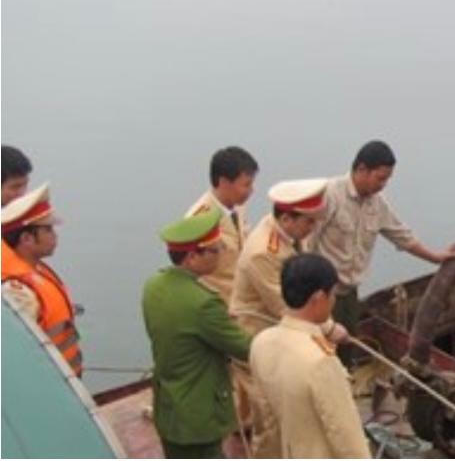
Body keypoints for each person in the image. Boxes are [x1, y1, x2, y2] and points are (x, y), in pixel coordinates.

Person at [229, 178, 347, 458]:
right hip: (258, 335)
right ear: (286, 218)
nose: (313, 228)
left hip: (280, 329)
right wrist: (330, 328)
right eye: (308, 222)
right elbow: (286, 305)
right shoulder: (263, 252)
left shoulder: (288, 233)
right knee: (269, 417)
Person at [308, 140, 455, 357]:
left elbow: (402, 235)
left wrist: (435, 257)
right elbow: (306, 242)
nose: (383, 185)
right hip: (321, 294)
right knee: (321, 352)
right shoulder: (330, 195)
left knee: (346, 351)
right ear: (362, 169)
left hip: (349, 293)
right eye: (380, 178)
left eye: (387, 179)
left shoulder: (377, 203)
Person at [140, 209, 252, 459]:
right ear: (192, 257)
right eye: (216, 249)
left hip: (169, 408)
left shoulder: (153, 285)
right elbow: (244, 348)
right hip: (199, 415)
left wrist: (218, 321)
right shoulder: (204, 303)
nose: (222, 253)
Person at [249, 253, 372, 458]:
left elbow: (265, 419)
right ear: (319, 298)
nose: (333, 301)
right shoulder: (320, 361)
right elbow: (346, 437)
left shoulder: (261, 343)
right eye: (332, 295)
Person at [1, 184, 82, 376]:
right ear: (27, 239)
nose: (55, 235)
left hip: (62, 378)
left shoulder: (36, 270)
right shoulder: (17, 292)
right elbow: (16, 355)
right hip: (46, 381)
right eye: (48, 230)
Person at [185, 146, 258, 305]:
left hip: (243, 302)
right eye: (246, 185)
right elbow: (191, 273)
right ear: (224, 183)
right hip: (216, 305)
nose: (252, 190)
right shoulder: (199, 220)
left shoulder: (238, 207)